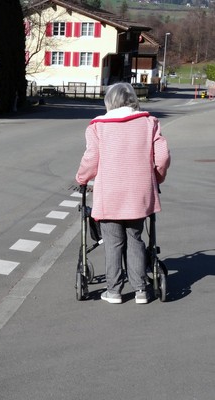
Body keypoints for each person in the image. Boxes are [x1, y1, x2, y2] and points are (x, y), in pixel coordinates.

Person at [76, 82, 171, 304]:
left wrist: (81, 178)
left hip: (110, 193)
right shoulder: (149, 122)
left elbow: (91, 159)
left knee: (113, 241)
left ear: (109, 101)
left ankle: (114, 290)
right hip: (138, 192)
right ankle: (140, 290)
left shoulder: (97, 126)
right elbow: (163, 156)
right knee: (135, 238)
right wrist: (156, 177)